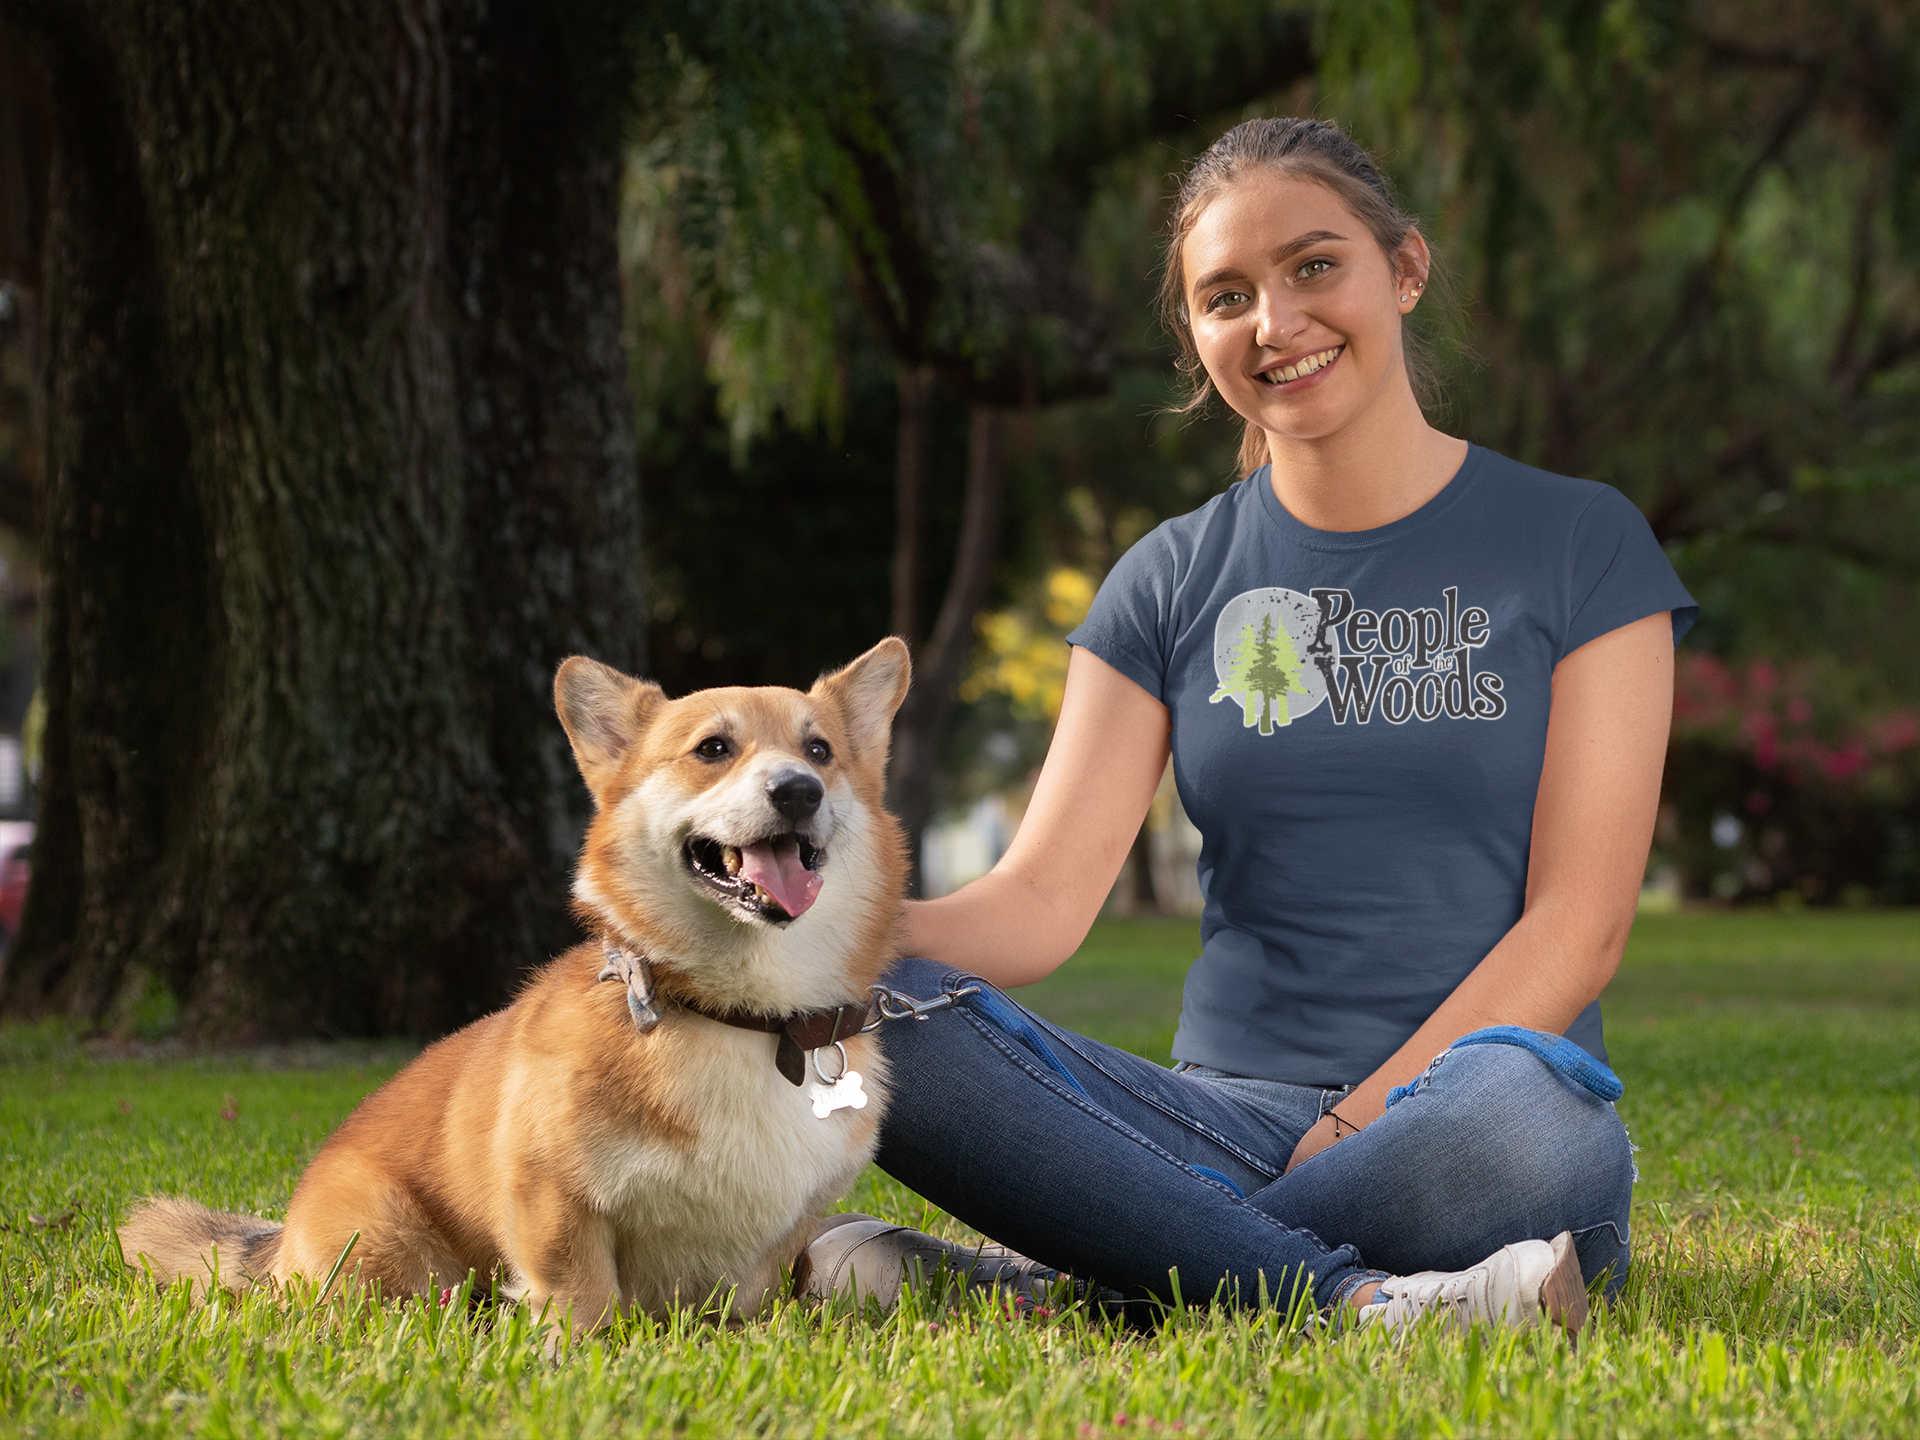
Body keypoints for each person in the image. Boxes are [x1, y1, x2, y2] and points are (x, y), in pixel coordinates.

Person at [800, 117, 1695, 1334]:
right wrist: (801, 936)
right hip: (1209, 1116)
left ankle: (1088, 1277)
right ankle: (1348, 1301)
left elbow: (1580, 930)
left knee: (1536, 1118)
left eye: (1315, 266)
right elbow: (1038, 903)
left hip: (1470, 1117)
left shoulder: (1581, 542)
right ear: (1197, 337)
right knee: (861, 1013)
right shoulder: (1166, 579)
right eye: (1227, 297)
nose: (1276, 323)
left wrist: (1357, 1124)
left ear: (1406, 270)